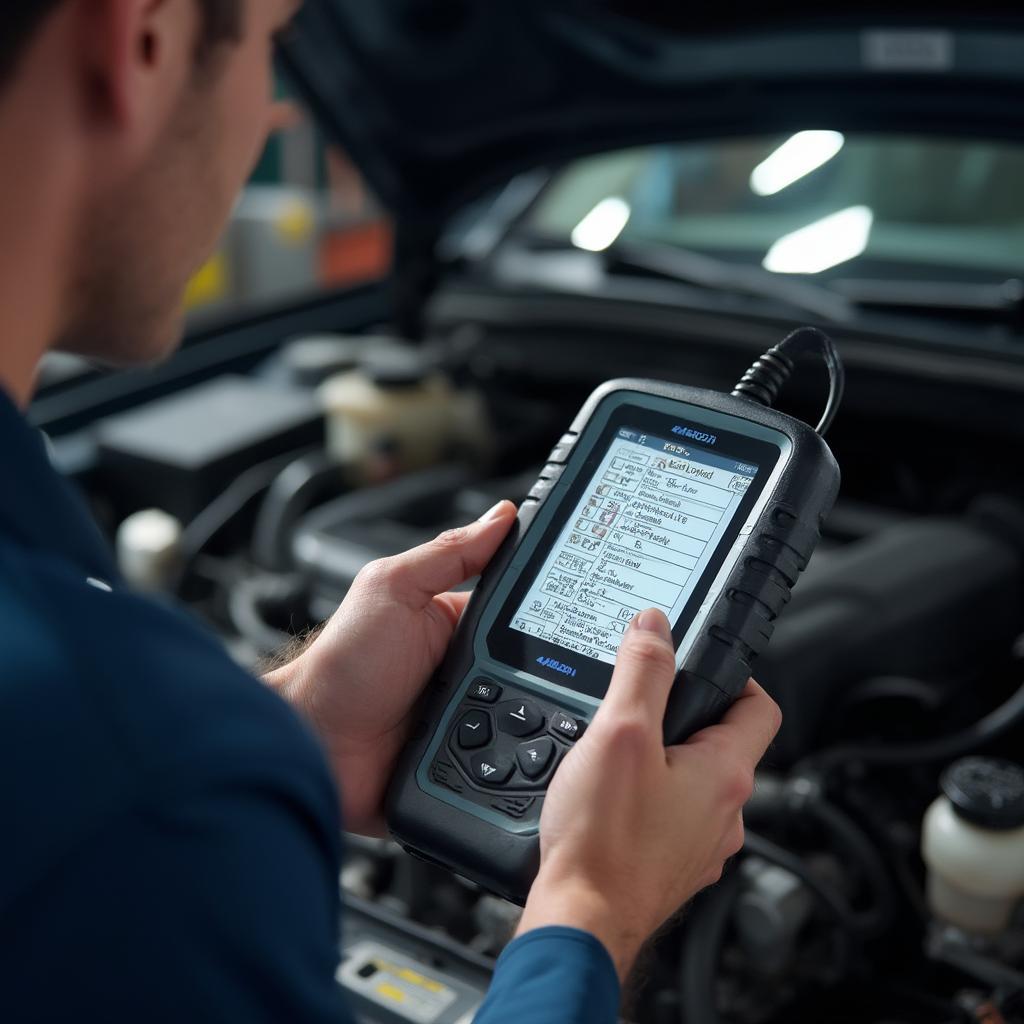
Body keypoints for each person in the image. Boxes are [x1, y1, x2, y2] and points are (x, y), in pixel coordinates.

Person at [0, 2, 782, 1021]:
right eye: (274, 44)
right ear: (139, 40)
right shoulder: (137, 781)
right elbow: (110, 798)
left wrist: (290, 732)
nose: (269, 108)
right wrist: (593, 907)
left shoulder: (113, 754)